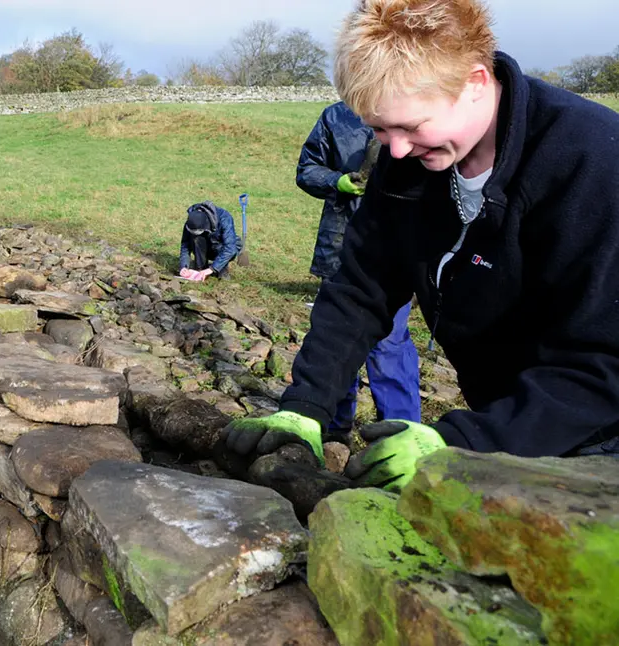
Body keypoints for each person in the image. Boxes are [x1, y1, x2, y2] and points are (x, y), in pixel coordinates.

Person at [221, 0, 619, 492]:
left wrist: (464, 444)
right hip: (508, 420)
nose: (395, 151)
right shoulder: (410, 160)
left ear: (474, 83)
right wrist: (306, 407)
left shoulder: (593, 163)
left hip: (600, 440)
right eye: (378, 129)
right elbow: (360, 287)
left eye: (410, 126)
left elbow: (604, 361)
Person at [296, 101, 421, 439]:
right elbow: (306, 169)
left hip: (395, 249)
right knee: (335, 338)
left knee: (389, 342)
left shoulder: (413, 110)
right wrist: (337, 182)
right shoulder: (334, 117)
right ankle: (333, 428)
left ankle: (401, 431)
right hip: (340, 247)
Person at [177, 201, 242, 281]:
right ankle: (200, 268)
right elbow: (185, 244)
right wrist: (184, 266)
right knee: (196, 239)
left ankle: (221, 268)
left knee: (231, 247)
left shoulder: (224, 218)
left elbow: (230, 248)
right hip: (204, 245)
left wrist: (212, 269)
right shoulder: (191, 220)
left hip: (219, 245)